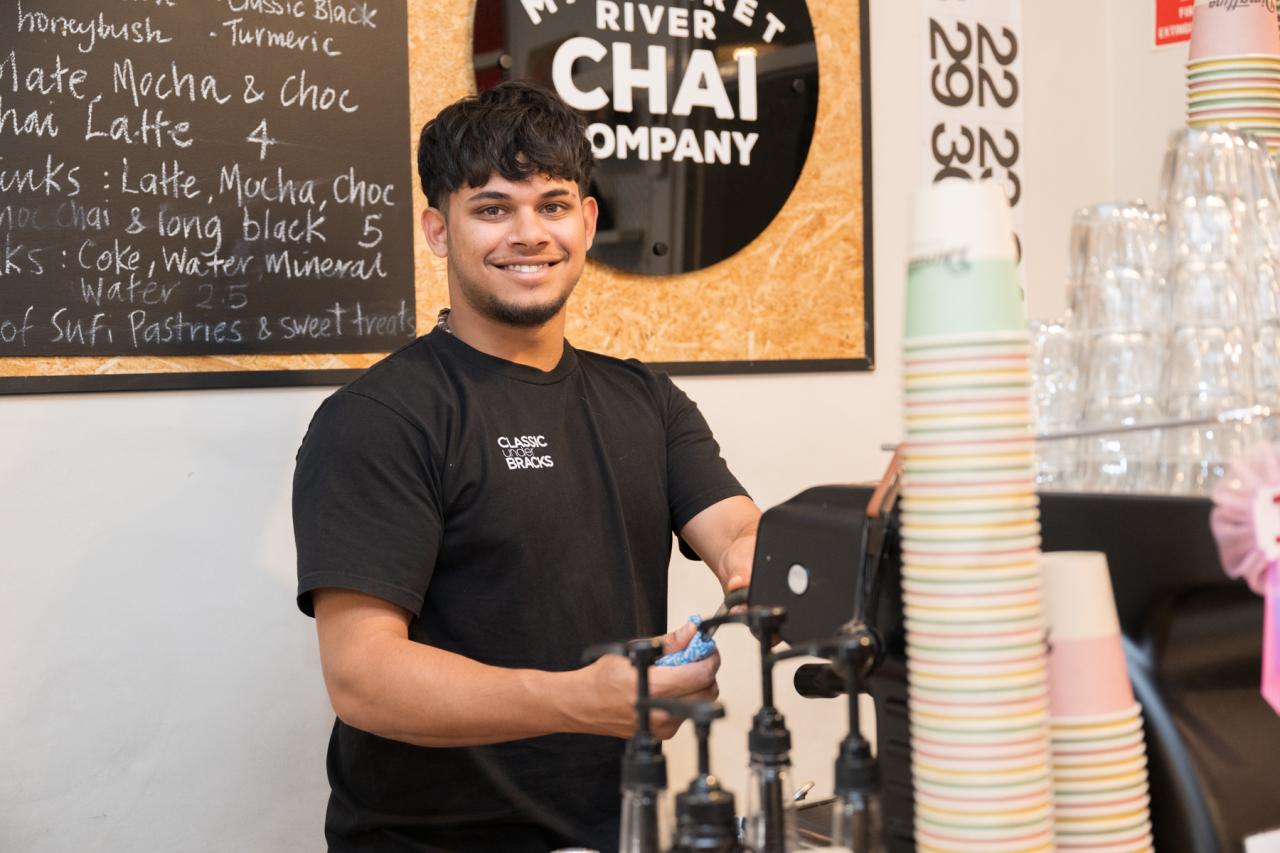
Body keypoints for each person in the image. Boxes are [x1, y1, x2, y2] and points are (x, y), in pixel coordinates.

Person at [292, 80, 762, 853]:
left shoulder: (645, 398)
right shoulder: (381, 417)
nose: (528, 233)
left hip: (617, 830)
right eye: (491, 208)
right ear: (439, 231)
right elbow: (363, 676)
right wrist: (578, 700)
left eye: (551, 204)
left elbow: (734, 526)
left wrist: (755, 566)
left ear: (587, 221)